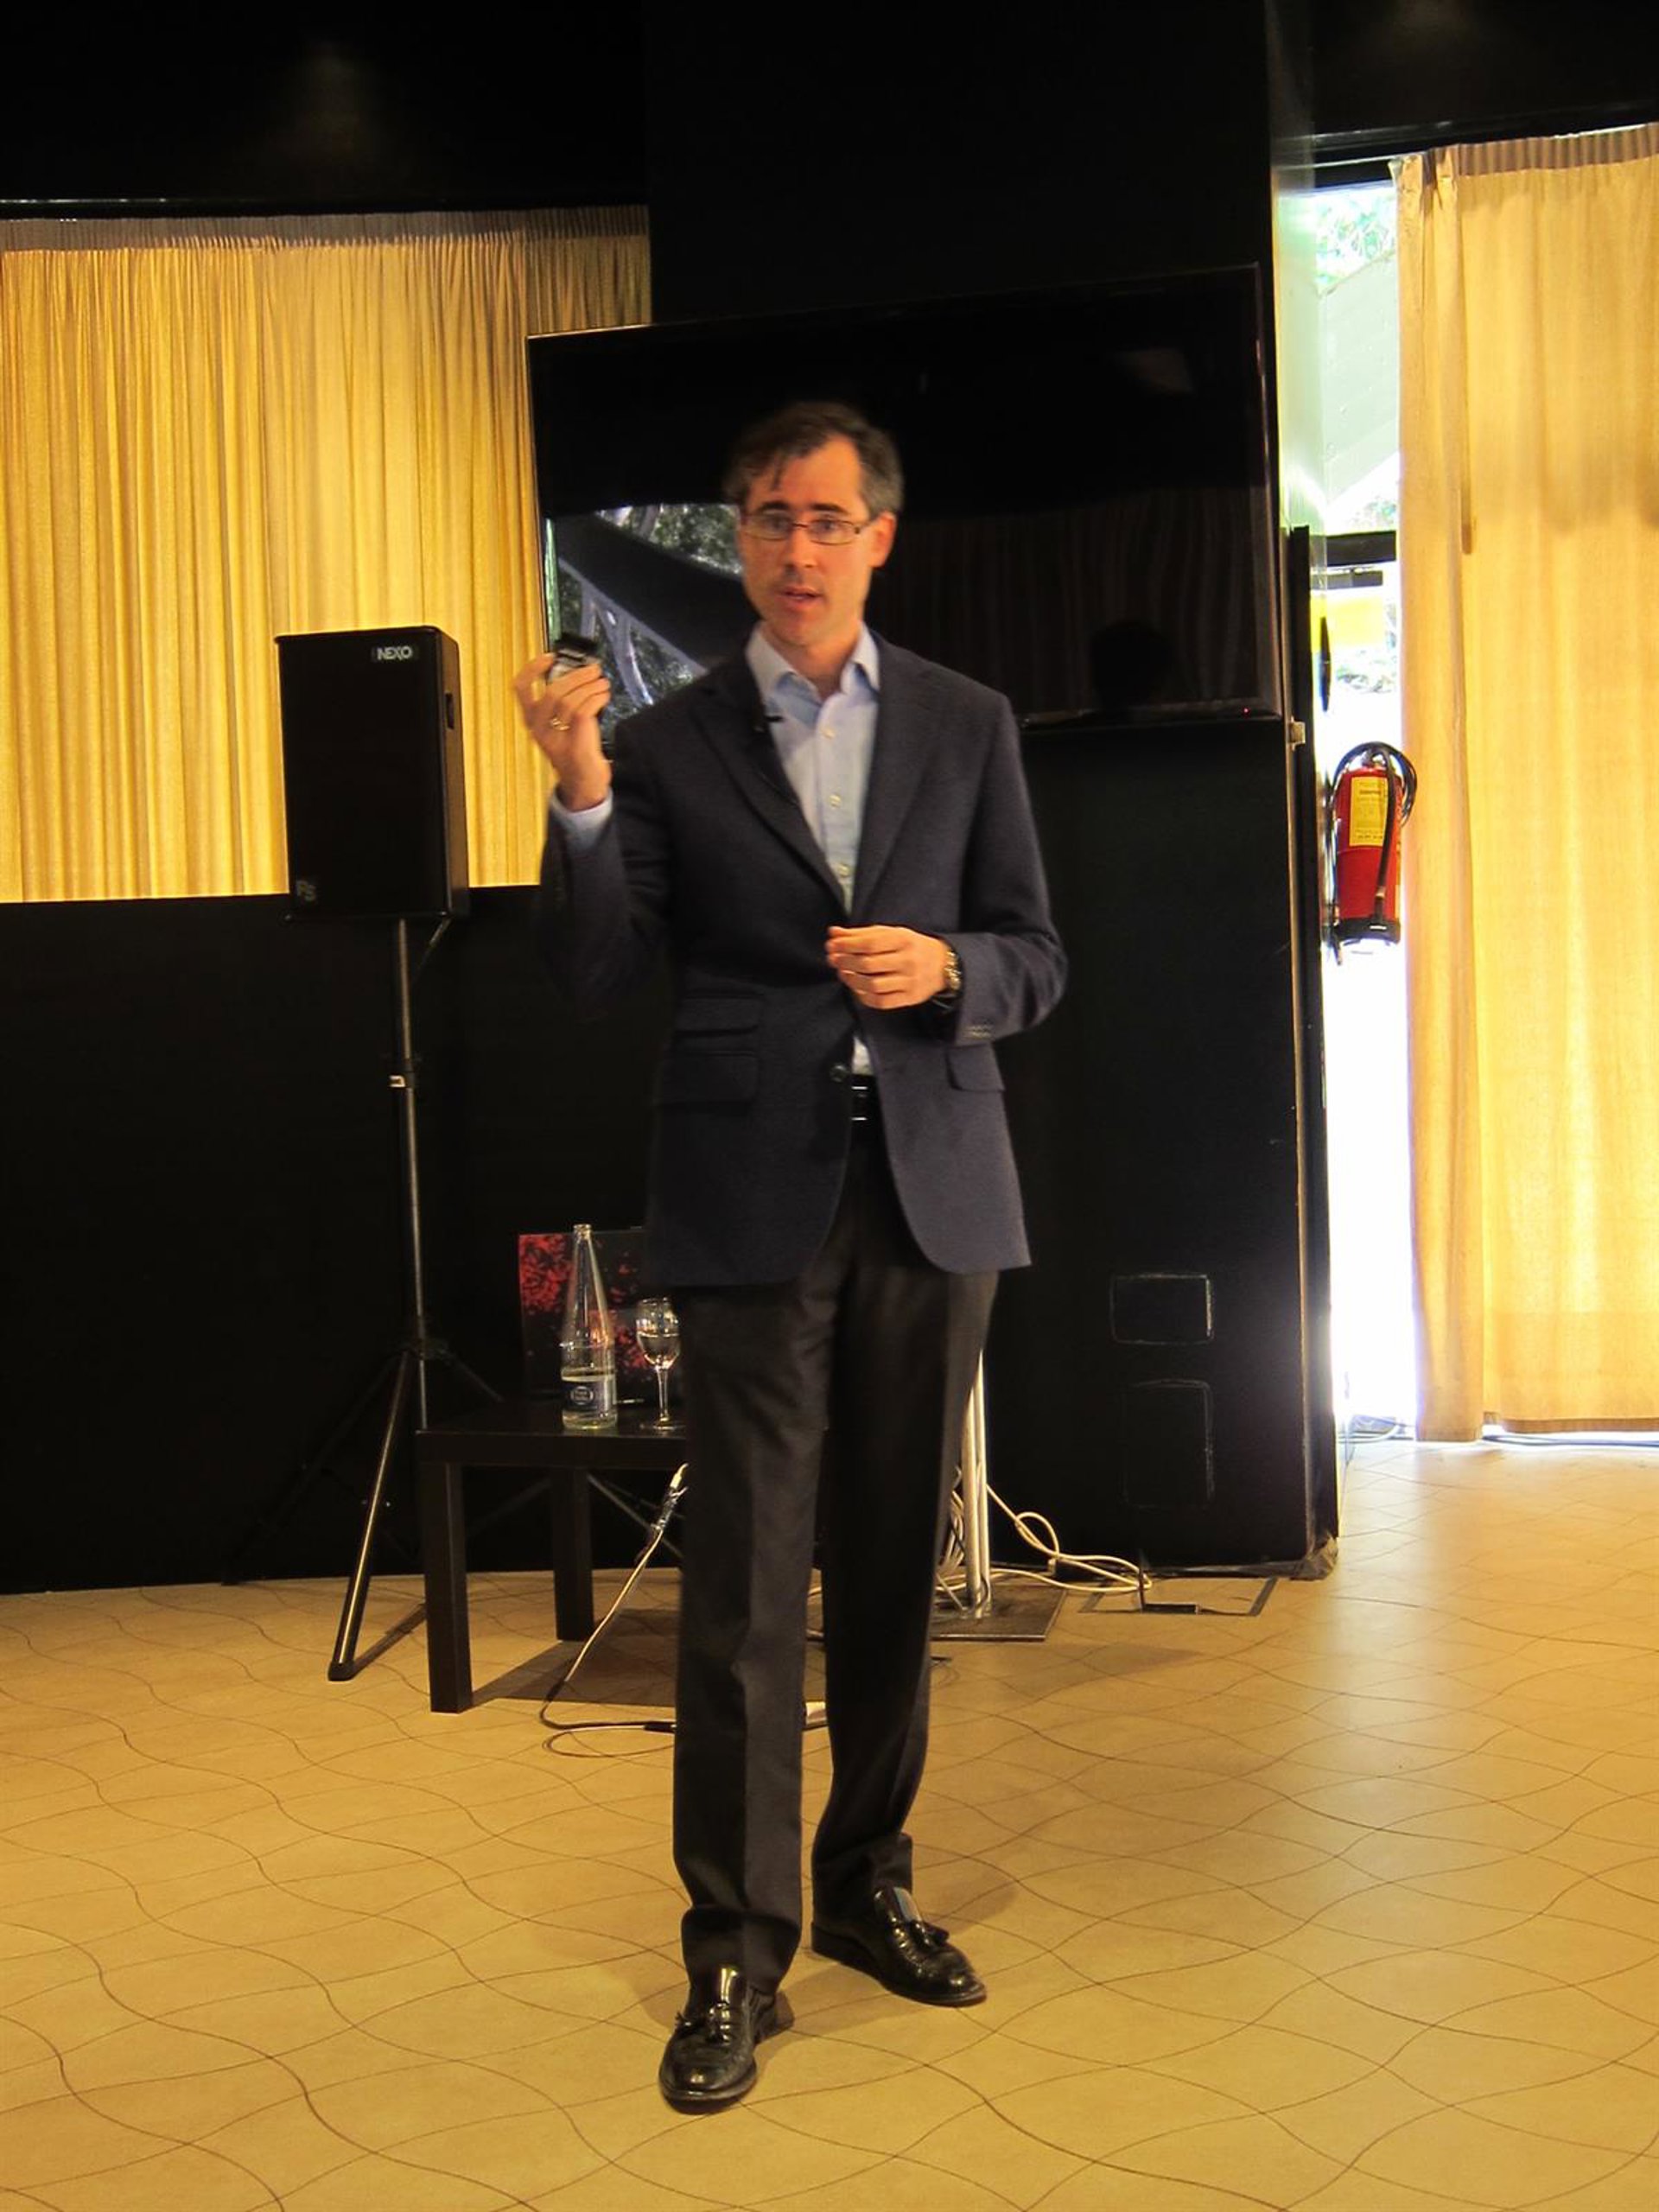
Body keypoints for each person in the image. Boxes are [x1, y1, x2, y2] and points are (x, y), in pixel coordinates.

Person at [514, 400, 1065, 2113]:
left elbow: (1038, 951)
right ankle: (734, 1950)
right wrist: (580, 790)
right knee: (747, 1584)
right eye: (770, 518)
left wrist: (951, 970)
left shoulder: (968, 722)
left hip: (934, 1187)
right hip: (748, 1195)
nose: (798, 547)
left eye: (828, 520)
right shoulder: (665, 741)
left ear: (879, 537)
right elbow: (599, 967)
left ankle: (868, 1883)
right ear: (740, 539)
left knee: (894, 1563)